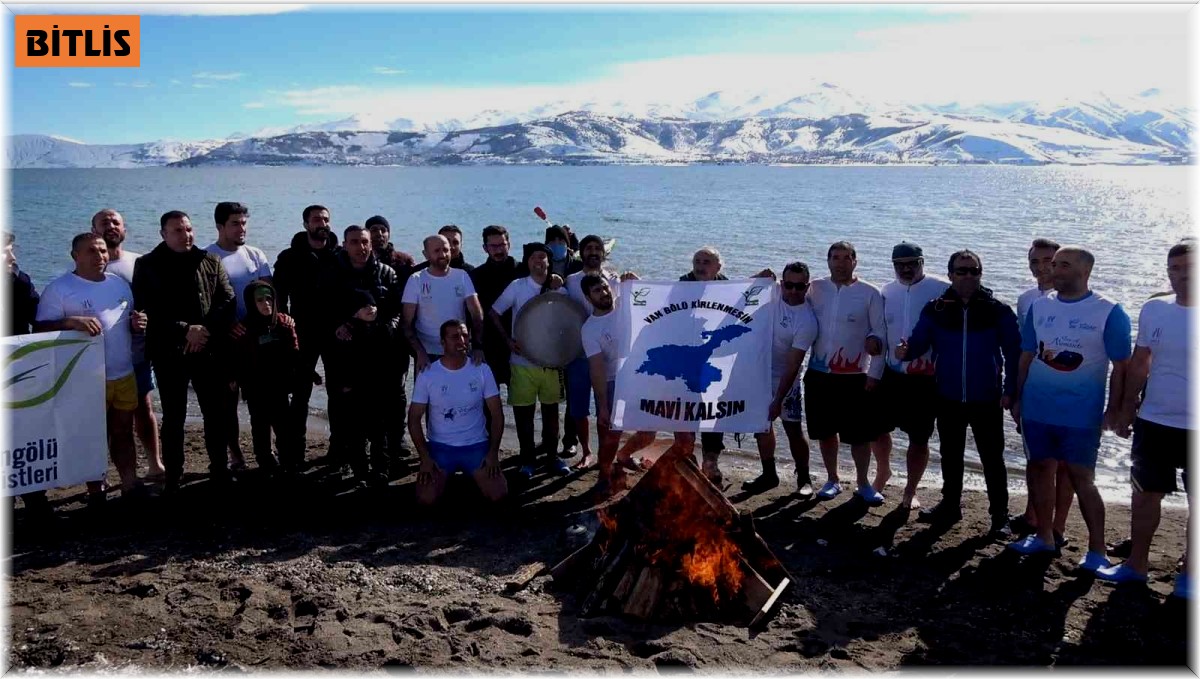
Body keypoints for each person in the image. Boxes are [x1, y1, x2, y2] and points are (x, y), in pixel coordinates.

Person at [1009, 246, 1132, 572]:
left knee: (1082, 479)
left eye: (1063, 264)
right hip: (1037, 408)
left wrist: (1115, 410)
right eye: (1053, 264)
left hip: (1081, 414)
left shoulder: (1108, 311)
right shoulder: (1039, 306)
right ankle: (1044, 536)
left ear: (1084, 271)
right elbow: (1026, 355)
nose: (1054, 269)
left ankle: (1097, 550)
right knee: (1038, 469)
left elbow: (1122, 367)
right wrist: (1018, 398)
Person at [898, 250, 1021, 535]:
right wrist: (905, 352)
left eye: (973, 271)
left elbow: (1014, 352)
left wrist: (1010, 390)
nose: (968, 276)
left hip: (986, 397)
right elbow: (918, 343)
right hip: (947, 395)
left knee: (992, 457)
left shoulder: (997, 309)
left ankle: (999, 514)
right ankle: (950, 505)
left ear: (981, 273)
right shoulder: (936, 308)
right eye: (961, 271)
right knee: (950, 454)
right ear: (950, 274)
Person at [1097, 240, 1193, 595]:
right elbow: (1140, 363)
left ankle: (1191, 575)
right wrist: (1125, 406)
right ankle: (1137, 565)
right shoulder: (1155, 309)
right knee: (1144, 496)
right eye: (1175, 269)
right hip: (1155, 422)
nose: (1183, 276)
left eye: (1190, 267)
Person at [36, 233, 147, 501]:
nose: (99, 256)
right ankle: (96, 489)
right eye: (91, 252)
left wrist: (137, 324)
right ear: (75, 256)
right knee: (92, 435)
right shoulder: (60, 289)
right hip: (85, 378)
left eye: (102, 251)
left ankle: (130, 483)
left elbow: (128, 320)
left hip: (123, 372)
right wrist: (70, 322)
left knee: (123, 431)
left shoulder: (119, 284)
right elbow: (39, 329)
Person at [133, 211, 236, 492]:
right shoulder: (147, 264)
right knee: (174, 416)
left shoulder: (209, 260)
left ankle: (219, 468)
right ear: (164, 234)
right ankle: (173, 475)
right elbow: (147, 307)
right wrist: (184, 329)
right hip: (169, 351)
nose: (186, 234)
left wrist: (202, 330)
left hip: (207, 348)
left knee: (214, 413)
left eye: (189, 229)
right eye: (178, 230)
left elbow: (227, 299)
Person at [804, 241, 887, 505]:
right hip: (819, 373)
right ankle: (832, 479)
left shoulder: (869, 292)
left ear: (855, 261)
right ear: (828, 261)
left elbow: (879, 331)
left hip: (856, 376)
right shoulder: (814, 288)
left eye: (846, 258)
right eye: (835, 257)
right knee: (826, 432)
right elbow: (787, 301)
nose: (840, 263)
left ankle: (863, 483)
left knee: (859, 435)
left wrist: (874, 374)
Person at [322, 225, 404, 487]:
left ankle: (380, 465)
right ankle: (351, 464)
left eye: (365, 241)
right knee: (346, 412)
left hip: (379, 353)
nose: (361, 247)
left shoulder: (386, 273)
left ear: (372, 244)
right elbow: (321, 310)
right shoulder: (332, 273)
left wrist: (382, 325)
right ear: (345, 244)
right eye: (355, 242)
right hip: (344, 355)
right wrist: (346, 322)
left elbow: (398, 311)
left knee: (379, 413)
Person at [91, 209, 165, 479]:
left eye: (115, 222)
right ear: (93, 230)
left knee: (143, 408)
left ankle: (155, 463)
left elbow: (156, 303)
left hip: (137, 352)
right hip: (98, 358)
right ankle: (106, 472)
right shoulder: (88, 266)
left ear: (124, 229)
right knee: (107, 418)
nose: (110, 226)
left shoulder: (140, 263)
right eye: (104, 223)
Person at [875, 242, 950, 509]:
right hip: (891, 373)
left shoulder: (941, 288)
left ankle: (910, 490)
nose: (906, 269)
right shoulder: (886, 291)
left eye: (912, 264)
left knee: (919, 438)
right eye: (900, 265)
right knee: (877, 430)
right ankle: (883, 471)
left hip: (926, 378)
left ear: (922, 262)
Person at [1011, 238, 1074, 545]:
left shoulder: (1079, 301)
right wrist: (1015, 394)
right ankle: (1032, 514)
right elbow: (1021, 352)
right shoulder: (1026, 300)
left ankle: (1057, 526)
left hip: (1070, 394)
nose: (1041, 268)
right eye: (1034, 262)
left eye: (1048, 261)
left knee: (1063, 465)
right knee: (1035, 458)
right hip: (1034, 391)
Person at [491, 242, 571, 480]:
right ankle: (527, 460)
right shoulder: (517, 286)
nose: (539, 261)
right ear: (528, 262)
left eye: (543, 258)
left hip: (551, 364)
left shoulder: (560, 290)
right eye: (535, 257)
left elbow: (569, 323)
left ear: (549, 262)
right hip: (522, 362)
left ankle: (552, 457)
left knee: (551, 413)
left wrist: (565, 350)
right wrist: (507, 341)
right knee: (524, 414)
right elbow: (494, 313)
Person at [205, 201, 273, 474]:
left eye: (244, 222)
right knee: (227, 403)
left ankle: (265, 452)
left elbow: (269, 294)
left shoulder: (255, 255)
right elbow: (206, 303)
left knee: (262, 400)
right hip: (227, 341)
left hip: (257, 339)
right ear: (220, 226)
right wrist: (226, 325)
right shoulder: (207, 257)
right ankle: (235, 455)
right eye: (235, 223)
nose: (241, 228)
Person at [409, 320, 507, 506]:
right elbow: (414, 419)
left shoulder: (482, 370)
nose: (461, 340)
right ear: (443, 342)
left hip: (476, 445)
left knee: (499, 495)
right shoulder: (428, 373)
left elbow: (497, 414)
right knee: (425, 499)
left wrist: (493, 452)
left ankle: (474, 475)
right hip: (441, 448)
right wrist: (425, 457)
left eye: (464, 335)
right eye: (455, 336)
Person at [273, 204, 342, 461]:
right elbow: (278, 295)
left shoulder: (340, 256)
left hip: (335, 333)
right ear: (306, 224)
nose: (322, 223)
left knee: (338, 393)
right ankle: (294, 452)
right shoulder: (290, 257)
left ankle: (338, 449)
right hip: (301, 332)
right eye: (316, 220)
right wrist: (283, 323)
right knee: (300, 393)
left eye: (325, 219)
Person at [582, 274, 657, 496]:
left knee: (649, 431)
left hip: (639, 376)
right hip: (613, 382)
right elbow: (597, 369)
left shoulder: (627, 304)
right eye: (597, 290)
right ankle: (603, 476)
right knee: (611, 433)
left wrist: (637, 280)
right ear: (588, 297)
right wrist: (603, 404)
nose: (604, 293)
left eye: (605, 287)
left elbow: (656, 300)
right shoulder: (589, 329)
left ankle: (624, 455)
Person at [6, 231, 55, 521]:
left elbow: (38, 320)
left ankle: (36, 501)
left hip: (16, 373)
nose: (13, 258)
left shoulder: (19, 282)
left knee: (23, 436)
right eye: (6, 252)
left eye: (12, 251)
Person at [564, 234, 623, 471]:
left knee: (605, 409)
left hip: (608, 357)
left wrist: (633, 280)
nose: (593, 252)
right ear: (581, 253)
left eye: (597, 248)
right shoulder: (569, 281)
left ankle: (603, 454)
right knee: (578, 407)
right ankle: (586, 451)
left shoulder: (614, 280)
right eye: (588, 248)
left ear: (603, 253)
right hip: (579, 353)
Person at [233, 280, 302, 476]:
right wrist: (235, 378)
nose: (266, 304)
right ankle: (265, 460)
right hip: (255, 388)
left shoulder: (283, 324)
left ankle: (289, 461)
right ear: (251, 303)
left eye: (269, 299)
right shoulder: (243, 329)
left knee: (284, 426)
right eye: (260, 300)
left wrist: (306, 374)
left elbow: (295, 352)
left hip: (279, 386)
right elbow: (237, 359)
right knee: (260, 425)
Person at [762, 262, 820, 495]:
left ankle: (804, 478)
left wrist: (778, 399)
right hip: (759, 372)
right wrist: (759, 275)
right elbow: (738, 292)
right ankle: (768, 474)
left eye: (799, 287)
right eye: (788, 285)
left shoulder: (807, 321)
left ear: (807, 287)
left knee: (792, 428)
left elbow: (793, 365)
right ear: (781, 283)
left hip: (787, 377)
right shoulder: (772, 290)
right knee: (761, 426)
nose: (793, 291)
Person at [364, 215, 416, 460]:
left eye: (383, 230)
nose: (379, 235)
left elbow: (410, 299)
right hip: (367, 336)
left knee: (397, 389)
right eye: (374, 230)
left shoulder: (404, 263)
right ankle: (372, 437)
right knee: (370, 387)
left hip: (396, 335)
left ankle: (398, 437)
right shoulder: (359, 260)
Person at [679, 245, 731, 483]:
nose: (700, 266)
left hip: (716, 360)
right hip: (687, 359)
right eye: (697, 261)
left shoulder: (728, 286)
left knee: (712, 414)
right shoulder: (682, 284)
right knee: (685, 412)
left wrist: (761, 283)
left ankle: (711, 463)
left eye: (706, 262)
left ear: (718, 267)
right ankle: (687, 460)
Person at [402, 234, 486, 374]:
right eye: (437, 251)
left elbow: (477, 315)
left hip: (459, 350)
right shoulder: (416, 280)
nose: (443, 254)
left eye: (446, 250)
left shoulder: (462, 276)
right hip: (427, 353)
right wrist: (419, 352)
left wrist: (477, 346)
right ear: (426, 254)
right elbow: (406, 322)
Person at [469, 225, 519, 386]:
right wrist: (476, 345)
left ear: (509, 245)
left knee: (523, 403)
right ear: (485, 248)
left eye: (502, 245)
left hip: (519, 344)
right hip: (489, 345)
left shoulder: (522, 271)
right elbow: (470, 314)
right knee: (488, 401)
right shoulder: (476, 276)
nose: (498, 250)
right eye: (493, 246)